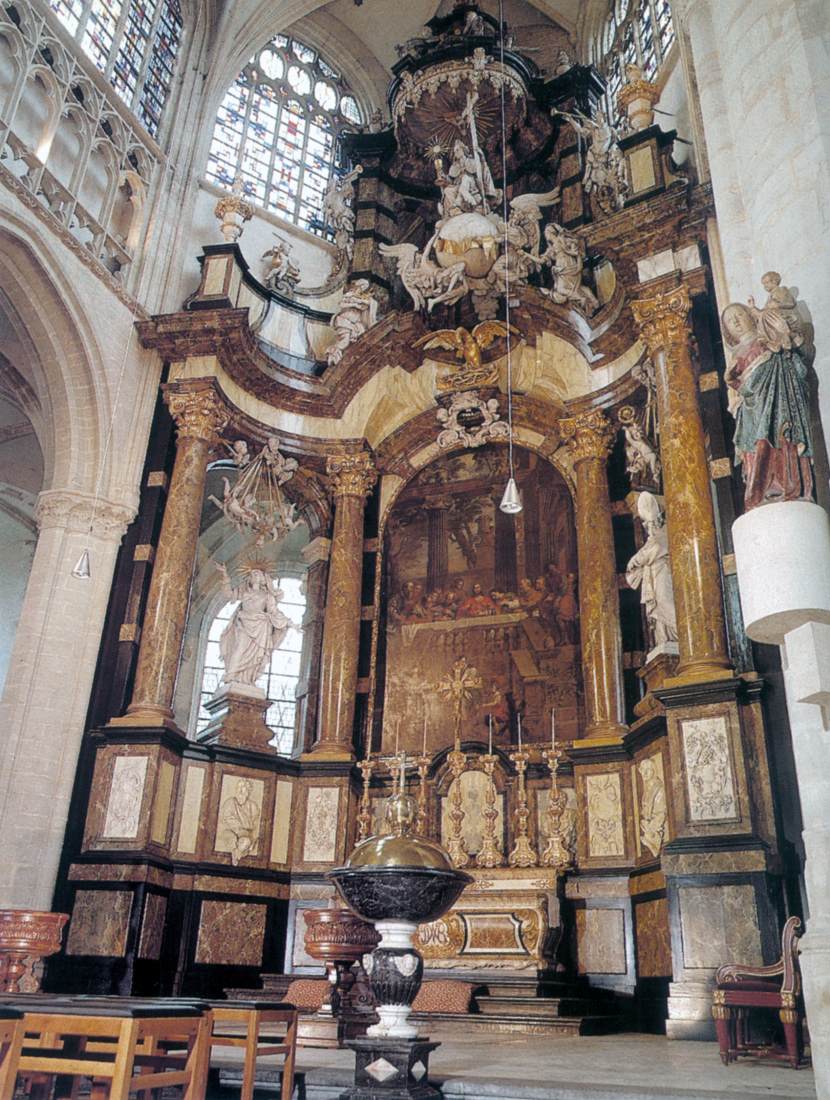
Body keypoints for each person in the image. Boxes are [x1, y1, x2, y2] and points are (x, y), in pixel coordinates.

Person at [722, 301, 814, 510]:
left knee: (781, 438)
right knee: (755, 448)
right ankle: (760, 492)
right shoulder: (735, 356)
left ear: (750, 315)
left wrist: (784, 339)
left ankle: (788, 488)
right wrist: (731, 380)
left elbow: (798, 367)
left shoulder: (768, 339)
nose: (735, 321)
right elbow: (742, 388)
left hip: (779, 401)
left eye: (739, 314)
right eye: (729, 320)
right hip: (752, 411)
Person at [214, 563, 293, 688]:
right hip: (244, 624)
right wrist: (225, 575)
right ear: (249, 577)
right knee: (239, 648)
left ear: (263, 578)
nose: (255, 576)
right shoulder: (244, 591)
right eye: (252, 574)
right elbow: (228, 594)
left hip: (261, 627)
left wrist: (289, 622)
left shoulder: (267, 596)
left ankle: (248, 679)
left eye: (257, 574)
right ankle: (231, 674)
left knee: (257, 656)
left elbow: (274, 612)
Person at [625, 493, 678, 650]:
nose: (649, 527)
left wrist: (638, 559)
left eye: (652, 523)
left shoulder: (666, 532)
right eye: (647, 524)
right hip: (652, 574)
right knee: (656, 611)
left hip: (663, 573)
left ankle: (679, 635)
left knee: (665, 602)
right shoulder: (651, 539)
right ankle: (664, 639)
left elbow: (658, 548)